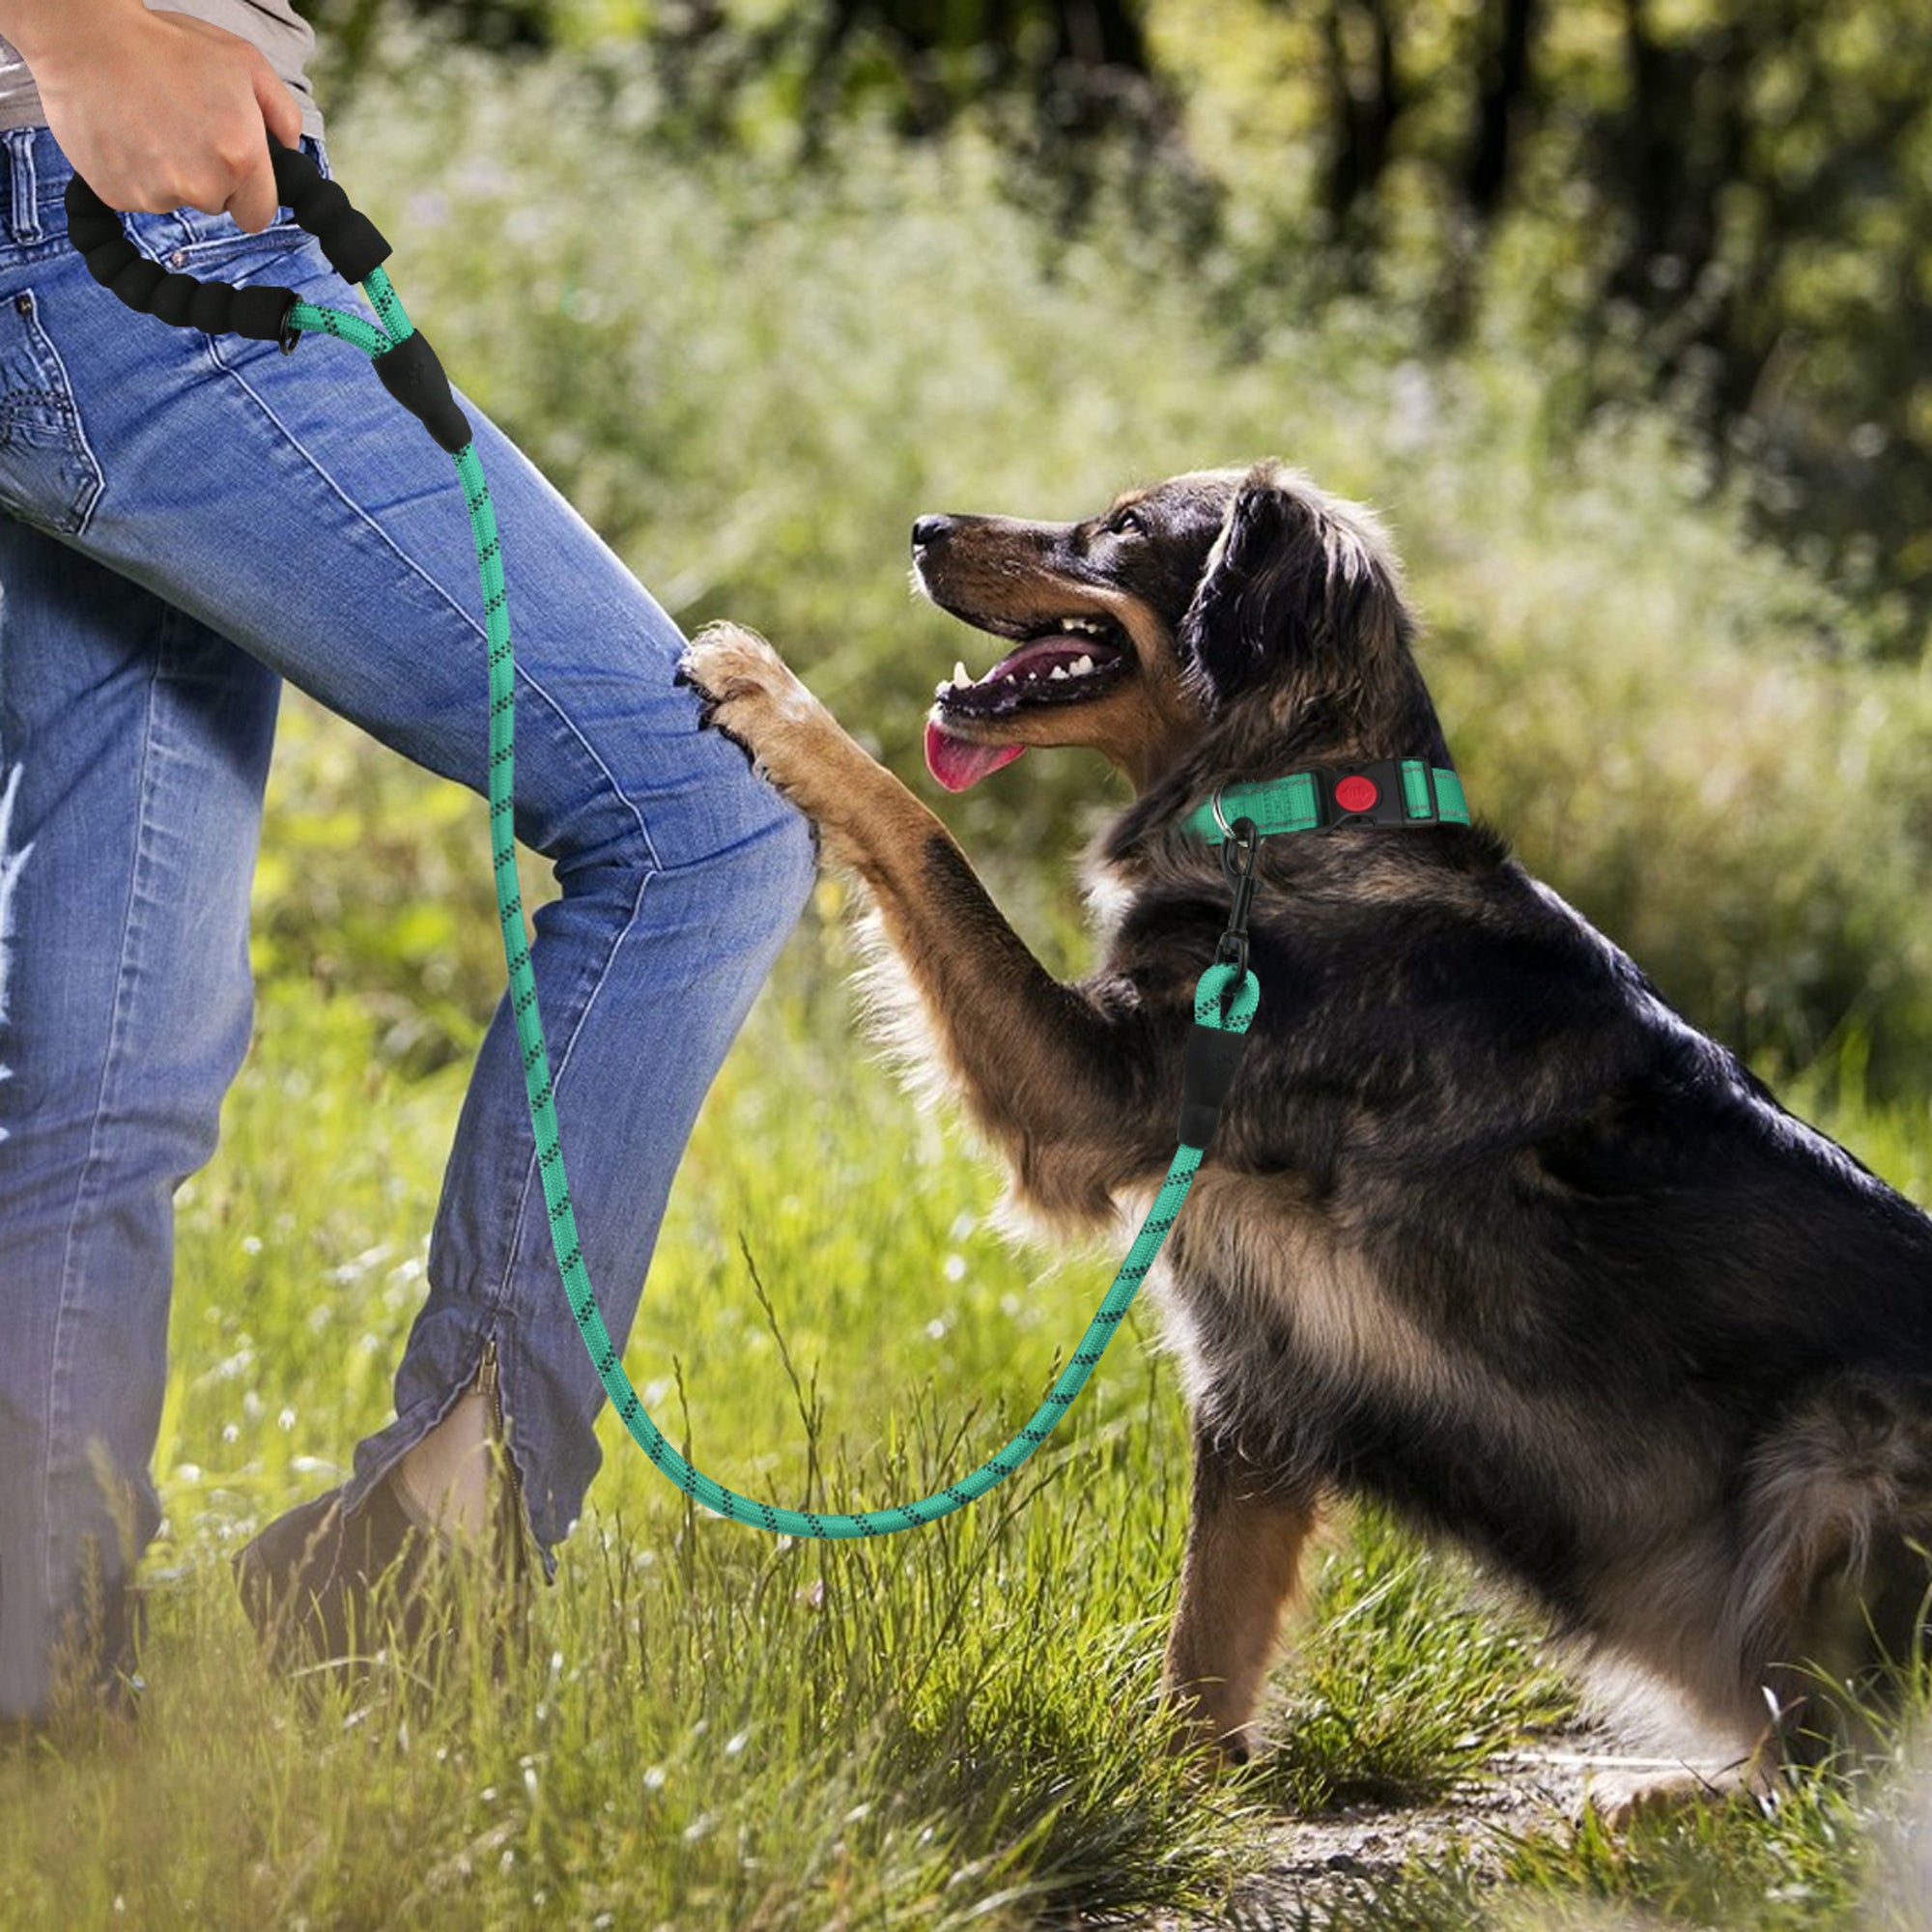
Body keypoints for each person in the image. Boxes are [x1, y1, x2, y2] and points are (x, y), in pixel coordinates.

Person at [0, 0, 815, 1738]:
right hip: (92, 217)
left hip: (111, 209)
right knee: (703, 819)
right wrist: (69, 31)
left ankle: (38, 1675)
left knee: (110, 1048)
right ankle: (432, 1555)